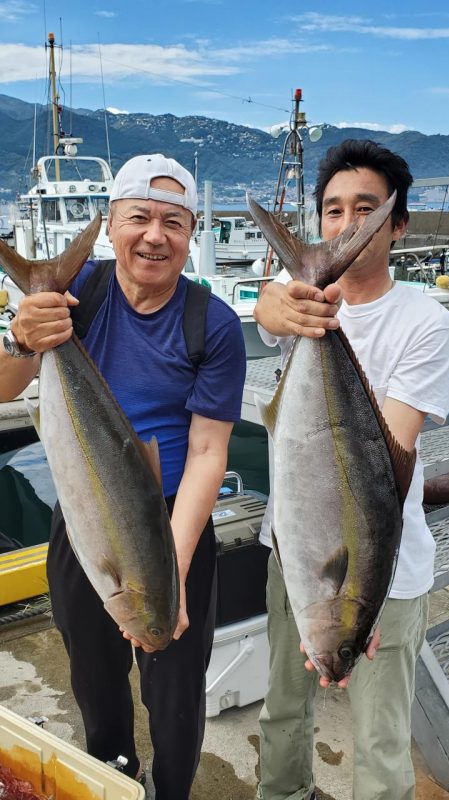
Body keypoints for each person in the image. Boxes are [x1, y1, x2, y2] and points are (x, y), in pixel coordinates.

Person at [0, 154, 246, 800]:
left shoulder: (213, 323)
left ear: (191, 234)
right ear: (110, 225)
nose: (155, 236)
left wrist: (169, 573)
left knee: (176, 688)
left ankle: (172, 790)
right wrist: (23, 338)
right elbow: (4, 389)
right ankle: (113, 774)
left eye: (174, 222)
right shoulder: (76, 292)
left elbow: (207, 453)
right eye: (139, 217)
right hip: (84, 514)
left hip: (174, 518)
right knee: (93, 673)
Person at [253, 139, 449, 800]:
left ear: (398, 224)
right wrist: (276, 304)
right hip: (292, 556)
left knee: (381, 740)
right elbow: (267, 306)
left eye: (367, 210)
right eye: (334, 211)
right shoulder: (298, 299)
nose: (347, 224)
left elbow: (383, 462)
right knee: (282, 712)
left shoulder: (426, 322)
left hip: (380, 571)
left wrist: (353, 611)